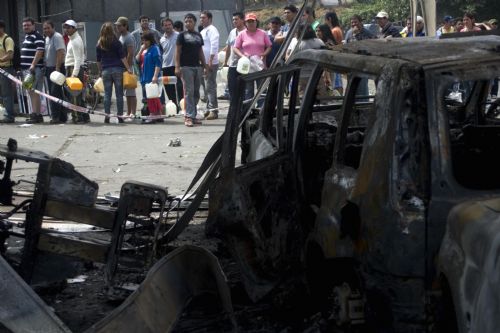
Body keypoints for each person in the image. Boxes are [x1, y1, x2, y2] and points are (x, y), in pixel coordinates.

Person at [175, 13, 207, 127]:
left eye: (190, 21)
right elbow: (177, 52)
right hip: (186, 67)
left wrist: (205, 65)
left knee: (196, 92)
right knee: (189, 92)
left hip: (197, 67)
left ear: (194, 22)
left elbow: (200, 52)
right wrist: (177, 67)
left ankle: (193, 116)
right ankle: (188, 117)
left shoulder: (198, 35)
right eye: (186, 21)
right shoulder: (181, 35)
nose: (188, 23)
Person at [96, 22, 132, 123]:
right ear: (112, 30)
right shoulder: (116, 42)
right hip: (118, 70)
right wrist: (128, 68)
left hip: (106, 70)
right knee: (119, 94)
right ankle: (120, 116)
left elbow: (98, 60)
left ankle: (107, 116)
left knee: (107, 94)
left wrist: (100, 71)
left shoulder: (99, 43)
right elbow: (122, 57)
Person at [233, 13, 272, 100]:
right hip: (247, 66)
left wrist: (264, 54)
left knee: (262, 89)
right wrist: (242, 56)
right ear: (245, 23)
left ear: (256, 22)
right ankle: (248, 110)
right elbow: (235, 48)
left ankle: (261, 109)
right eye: (248, 21)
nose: (250, 23)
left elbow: (269, 46)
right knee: (248, 90)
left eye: (252, 21)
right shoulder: (242, 34)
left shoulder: (263, 33)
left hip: (260, 65)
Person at [64, 19, 89, 123]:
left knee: (74, 95)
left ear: (74, 28)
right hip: (74, 68)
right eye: (65, 27)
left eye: (69, 27)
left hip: (73, 68)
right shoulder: (73, 38)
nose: (66, 30)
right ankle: (84, 116)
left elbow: (78, 59)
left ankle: (76, 117)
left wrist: (74, 74)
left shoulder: (75, 41)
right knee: (78, 95)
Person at [20, 17, 45, 123]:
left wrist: (33, 65)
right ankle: (37, 114)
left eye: (28, 25)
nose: (26, 27)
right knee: (32, 92)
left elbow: (39, 51)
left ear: (33, 25)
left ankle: (36, 115)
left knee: (33, 92)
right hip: (28, 70)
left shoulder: (37, 36)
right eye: (24, 25)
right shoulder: (27, 37)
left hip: (33, 70)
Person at [43, 20, 66, 123]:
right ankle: (62, 117)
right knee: (57, 93)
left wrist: (57, 68)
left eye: (48, 28)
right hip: (49, 69)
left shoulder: (57, 37)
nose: (46, 30)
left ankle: (55, 117)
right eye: (44, 28)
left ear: (53, 28)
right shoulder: (47, 38)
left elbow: (60, 52)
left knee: (54, 93)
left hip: (56, 68)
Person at [136, 31, 162, 123]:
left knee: (152, 97)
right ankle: (157, 114)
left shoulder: (155, 48)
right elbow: (137, 60)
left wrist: (155, 76)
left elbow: (158, 63)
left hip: (152, 77)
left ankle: (153, 114)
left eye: (146, 40)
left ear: (151, 40)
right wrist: (141, 49)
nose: (145, 42)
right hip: (144, 76)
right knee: (150, 97)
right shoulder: (144, 50)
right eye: (143, 40)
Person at [115, 16, 137, 118]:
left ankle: (133, 112)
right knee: (127, 92)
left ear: (125, 26)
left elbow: (130, 53)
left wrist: (128, 68)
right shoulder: (121, 36)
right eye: (117, 26)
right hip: (124, 67)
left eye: (119, 26)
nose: (117, 28)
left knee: (131, 91)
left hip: (129, 67)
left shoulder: (128, 37)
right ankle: (128, 112)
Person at [199, 11, 220, 120]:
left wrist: (210, 61)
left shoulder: (212, 30)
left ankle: (213, 110)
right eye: (201, 18)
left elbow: (214, 46)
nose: (201, 19)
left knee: (210, 86)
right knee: (206, 87)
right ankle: (208, 108)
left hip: (210, 63)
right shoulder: (203, 31)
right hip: (203, 63)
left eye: (204, 18)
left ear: (210, 19)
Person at [160, 17, 183, 112]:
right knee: (169, 89)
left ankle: (182, 107)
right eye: (165, 25)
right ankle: (174, 108)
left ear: (172, 25)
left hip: (177, 65)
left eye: (169, 25)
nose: (168, 27)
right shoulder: (161, 39)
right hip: (166, 67)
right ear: (162, 27)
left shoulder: (179, 35)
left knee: (180, 87)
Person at [223, 12, 245, 102]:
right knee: (232, 88)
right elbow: (228, 47)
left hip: (243, 65)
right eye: (233, 19)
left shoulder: (246, 32)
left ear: (242, 20)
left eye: (236, 19)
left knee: (244, 89)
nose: (234, 21)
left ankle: (244, 109)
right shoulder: (232, 32)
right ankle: (234, 108)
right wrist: (225, 62)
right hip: (232, 65)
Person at [0, 19, 16, 123]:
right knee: (2, 94)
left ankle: (9, 116)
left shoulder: (7, 39)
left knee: (7, 93)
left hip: (6, 69)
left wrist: (0, 60)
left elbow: (10, 55)